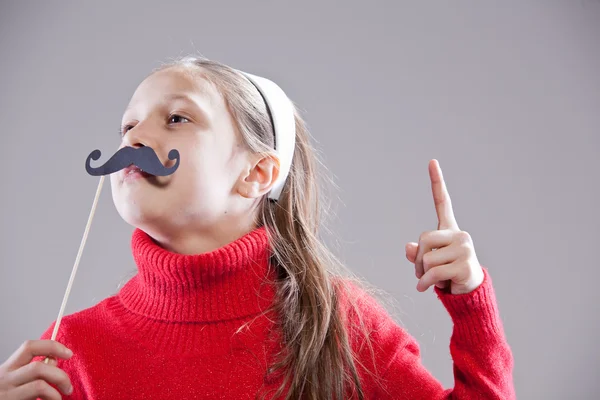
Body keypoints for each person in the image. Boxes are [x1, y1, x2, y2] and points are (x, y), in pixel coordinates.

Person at [0, 55, 515, 399]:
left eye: (177, 118)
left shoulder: (334, 325)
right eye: (127, 124)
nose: (134, 136)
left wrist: (471, 304)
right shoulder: (69, 350)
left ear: (257, 173)